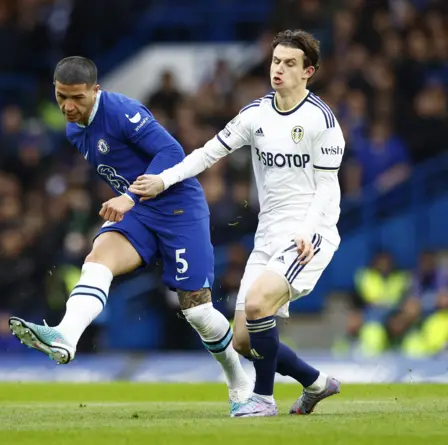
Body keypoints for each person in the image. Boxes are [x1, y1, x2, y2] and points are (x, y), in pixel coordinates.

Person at [8, 56, 253, 410]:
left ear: (96, 90)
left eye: (77, 97)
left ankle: (241, 385)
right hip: (139, 212)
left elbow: (171, 150)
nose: (68, 106)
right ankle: (66, 336)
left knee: (197, 312)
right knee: (97, 259)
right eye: (62, 96)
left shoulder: (123, 111)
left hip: (178, 208)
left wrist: (128, 196)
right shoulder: (73, 129)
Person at [129, 30, 342, 417]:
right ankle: (315, 382)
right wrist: (164, 179)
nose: (279, 69)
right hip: (269, 234)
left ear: (308, 71)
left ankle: (262, 400)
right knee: (244, 339)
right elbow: (208, 152)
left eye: (290, 63)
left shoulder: (321, 121)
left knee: (259, 305)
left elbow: (328, 188)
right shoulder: (256, 114)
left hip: (309, 235)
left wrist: (308, 231)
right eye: (276, 60)